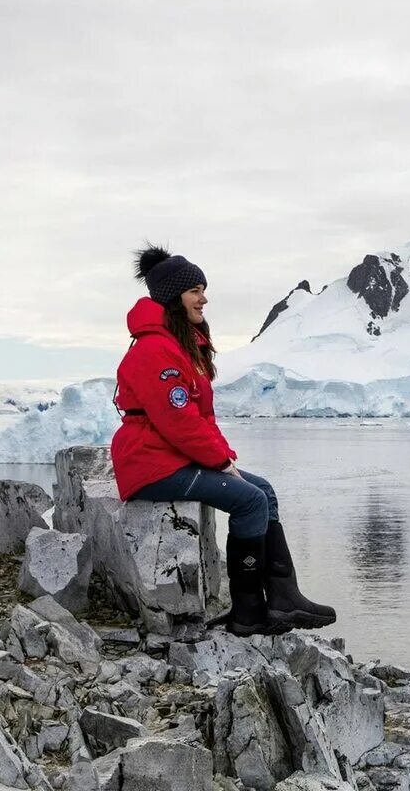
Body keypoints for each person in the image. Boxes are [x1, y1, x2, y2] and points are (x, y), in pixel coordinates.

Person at [110, 244, 336, 637]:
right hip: (150, 464)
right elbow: (177, 420)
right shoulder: (155, 349)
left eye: (203, 289)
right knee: (248, 499)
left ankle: (283, 597)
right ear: (173, 296)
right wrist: (219, 462)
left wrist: (224, 457)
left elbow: (199, 418)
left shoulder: (178, 344)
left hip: (168, 456)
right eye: (195, 290)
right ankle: (248, 612)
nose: (204, 298)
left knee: (262, 490)